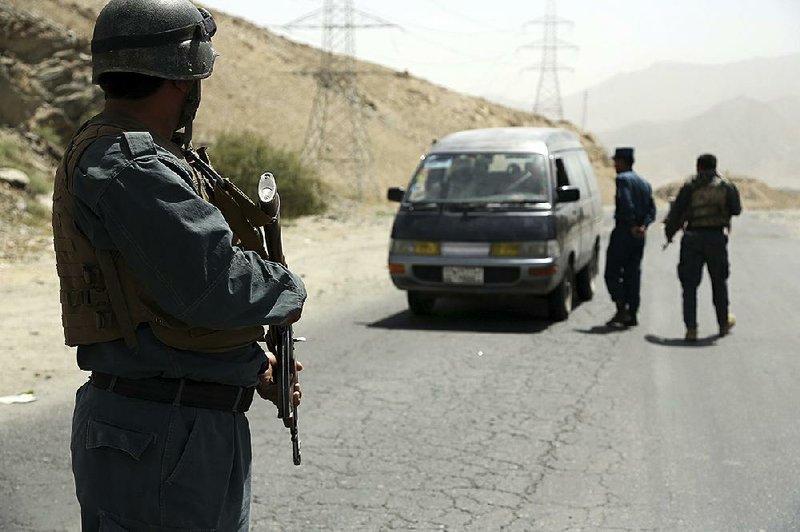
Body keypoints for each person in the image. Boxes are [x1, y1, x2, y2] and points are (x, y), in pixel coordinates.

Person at [51, 1, 306, 529]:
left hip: (171, 422)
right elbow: (215, 285)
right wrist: (288, 287)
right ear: (182, 79)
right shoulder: (132, 164)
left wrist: (248, 365)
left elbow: (162, 295)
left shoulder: (139, 155)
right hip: (164, 431)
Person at [664, 153, 742, 341]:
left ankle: (691, 329)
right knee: (719, 282)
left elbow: (676, 214)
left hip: (692, 239)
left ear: (698, 167)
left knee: (689, 286)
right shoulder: (726, 186)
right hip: (716, 238)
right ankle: (723, 323)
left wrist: (669, 235)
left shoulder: (690, 187)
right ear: (715, 167)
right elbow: (736, 209)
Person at [604, 147, 656, 327]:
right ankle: (632, 313)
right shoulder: (644, 183)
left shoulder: (622, 180)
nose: (614, 165)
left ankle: (621, 308)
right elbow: (652, 209)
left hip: (625, 232)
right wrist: (643, 226)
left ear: (622, 162)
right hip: (639, 236)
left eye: (616, 161)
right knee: (633, 273)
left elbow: (626, 203)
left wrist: (633, 224)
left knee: (612, 272)